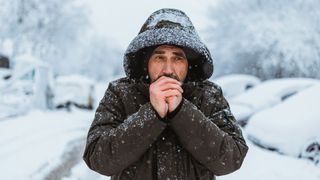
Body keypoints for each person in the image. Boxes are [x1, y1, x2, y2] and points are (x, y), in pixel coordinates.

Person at [83, 8, 248, 180]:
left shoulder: (209, 95)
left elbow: (232, 158)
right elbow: (97, 158)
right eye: (159, 58)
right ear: (146, 62)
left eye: (178, 58)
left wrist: (181, 111)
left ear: (189, 64)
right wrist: (152, 114)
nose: (168, 69)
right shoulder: (120, 93)